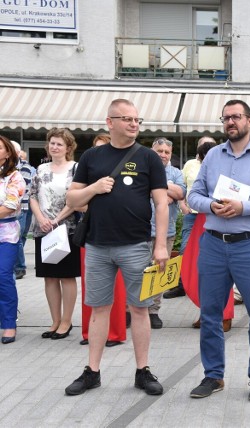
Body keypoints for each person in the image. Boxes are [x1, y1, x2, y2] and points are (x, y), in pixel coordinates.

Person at [64, 99, 168, 396]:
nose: (134, 124)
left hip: (136, 245)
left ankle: (143, 371)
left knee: (140, 309)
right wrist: (94, 188)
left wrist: (160, 245)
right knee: (99, 309)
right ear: (109, 122)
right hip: (97, 246)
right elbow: (72, 200)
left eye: (137, 119)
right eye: (127, 119)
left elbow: (161, 203)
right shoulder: (91, 157)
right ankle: (92, 371)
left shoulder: (148, 157)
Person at [187, 99, 250, 402]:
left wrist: (244, 207)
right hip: (214, 244)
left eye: (236, 117)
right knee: (211, 314)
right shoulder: (213, 156)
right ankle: (213, 376)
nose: (231, 122)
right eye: (226, 118)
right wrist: (211, 205)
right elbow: (194, 195)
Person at [30, 128, 81, 340]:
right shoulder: (40, 169)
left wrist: (57, 219)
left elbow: (76, 200)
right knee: (49, 277)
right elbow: (32, 196)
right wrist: (41, 219)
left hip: (66, 229)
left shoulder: (76, 169)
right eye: (52, 143)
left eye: (59, 144)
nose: (54, 147)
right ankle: (55, 321)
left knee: (66, 277)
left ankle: (67, 321)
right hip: (44, 230)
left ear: (68, 147)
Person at [80, 134, 127, 347]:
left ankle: (115, 333)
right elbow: (76, 202)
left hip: (122, 237)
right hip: (93, 234)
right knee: (93, 293)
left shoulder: (122, 169)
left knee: (117, 290)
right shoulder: (87, 168)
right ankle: (90, 333)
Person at [139, 137, 185, 329]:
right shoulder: (143, 168)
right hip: (140, 230)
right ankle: (130, 310)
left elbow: (181, 193)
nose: (163, 155)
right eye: (160, 151)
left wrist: (156, 189)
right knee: (137, 272)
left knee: (159, 272)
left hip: (166, 231)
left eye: (167, 152)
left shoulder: (176, 172)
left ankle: (153, 311)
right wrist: (166, 192)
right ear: (152, 150)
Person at [164, 136, 216, 300]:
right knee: (185, 249)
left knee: (210, 252)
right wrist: (183, 205)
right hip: (191, 214)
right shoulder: (190, 165)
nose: (205, 149)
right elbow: (183, 186)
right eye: (202, 146)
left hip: (210, 215)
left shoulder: (218, 164)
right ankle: (181, 285)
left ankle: (200, 287)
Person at [0, 136, 26, 344]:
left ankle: (9, 324)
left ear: (7, 153)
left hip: (6, 235)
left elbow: (10, 206)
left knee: (3, 276)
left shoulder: (15, 177)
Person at [11, 141, 35, 280]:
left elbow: (22, 189)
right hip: (11, 208)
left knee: (18, 238)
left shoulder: (24, 168)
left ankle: (20, 267)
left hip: (21, 208)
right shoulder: (7, 167)